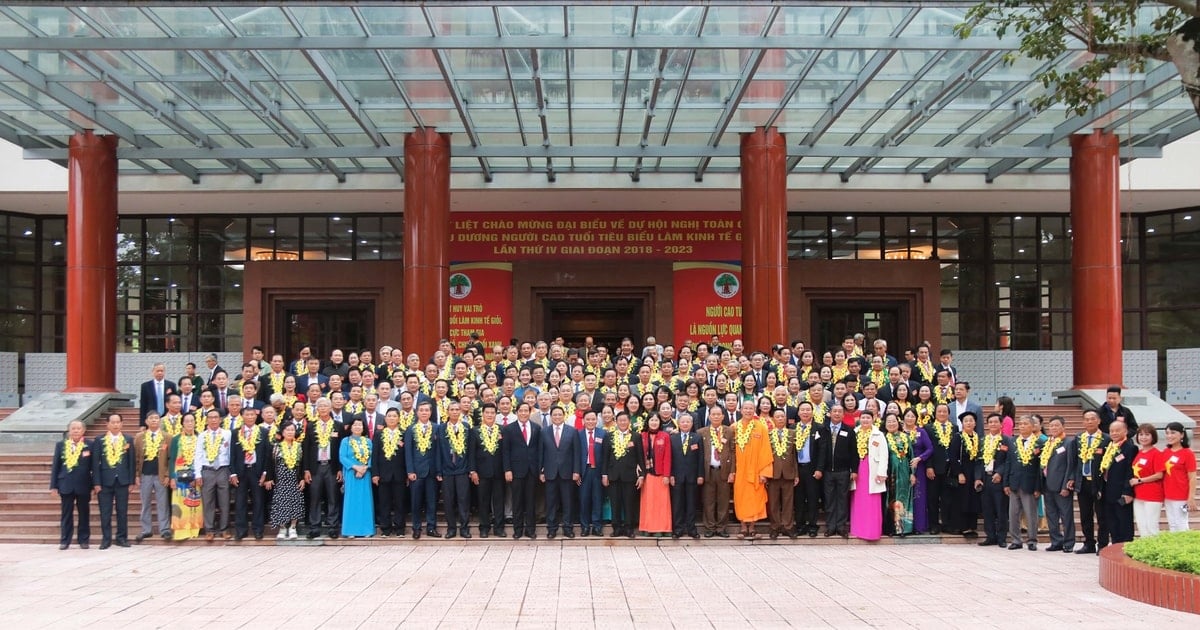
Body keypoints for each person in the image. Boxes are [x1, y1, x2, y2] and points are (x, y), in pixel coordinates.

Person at [92, 412, 135, 549]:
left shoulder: (128, 439)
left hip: (122, 481)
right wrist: (96, 483)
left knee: (122, 511)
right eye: (113, 422)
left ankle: (122, 538)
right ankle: (106, 539)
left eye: (118, 422)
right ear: (107, 424)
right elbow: (95, 463)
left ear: (122, 424)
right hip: (105, 481)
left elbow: (131, 462)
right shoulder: (99, 440)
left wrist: (131, 481)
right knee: (105, 511)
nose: (116, 425)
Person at [731, 399, 772, 539]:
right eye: (745, 408)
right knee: (740, 497)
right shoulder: (734, 427)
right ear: (740, 410)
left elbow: (765, 450)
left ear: (754, 410)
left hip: (756, 470)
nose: (748, 411)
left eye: (751, 408)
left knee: (755, 498)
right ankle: (743, 527)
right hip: (739, 470)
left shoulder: (761, 427)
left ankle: (753, 527)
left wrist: (764, 472)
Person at [303, 399, 342, 539]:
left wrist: (339, 469)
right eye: (320, 406)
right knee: (315, 498)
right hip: (316, 467)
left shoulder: (338, 426)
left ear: (331, 407)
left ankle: (333, 526)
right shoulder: (311, 426)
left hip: (332, 467)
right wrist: (306, 469)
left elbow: (341, 449)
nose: (323, 408)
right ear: (317, 409)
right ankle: (314, 527)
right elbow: (306, 449)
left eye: (326, 406)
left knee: (333, 497)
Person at [51, 420, 93, 550]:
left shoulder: (90, 445)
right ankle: (65, 540)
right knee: (66, 513)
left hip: (84, 484)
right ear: (69, 430)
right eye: (73, 428)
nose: (76, 431)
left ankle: (83, 539)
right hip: (66, 484)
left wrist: (95, 484)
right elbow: (56, 466)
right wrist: (53, 486)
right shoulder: (61, 445)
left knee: (84, 513)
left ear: (83, 430)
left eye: (78, 428)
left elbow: (94, 466)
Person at [1073, 410, 1109, 555]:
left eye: (1092, 419)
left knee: (1101, 515)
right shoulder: (1078, 438)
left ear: (1098, 421)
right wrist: (1072, 478)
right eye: (1086, 419)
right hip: (1083, 481)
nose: (1089, 422)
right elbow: (1073, 461)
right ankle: (1088, 543)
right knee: (1085, 515)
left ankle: (1103, 544)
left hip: (1099, 482)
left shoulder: (1106, 439)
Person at [502, 402, 541, 540]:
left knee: (531, 501)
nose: (524, 413)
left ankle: (530, 530)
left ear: (530, 412)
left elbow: (539, 450)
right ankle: (518, 529)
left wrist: (540, 469)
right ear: (517, 412)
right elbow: (505, 451)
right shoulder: (508, 429)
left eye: (526, 411)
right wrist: (507, 469)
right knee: (517, 501)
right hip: (516, 470)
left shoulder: (536, 428)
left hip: (532, 470)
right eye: (521, 411)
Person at [539, 406, 579, 539]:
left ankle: (568, 528)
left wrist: (576, 471)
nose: (557, 417)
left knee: (568, 502)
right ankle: (551, 528)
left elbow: (576, 453)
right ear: (551, 416)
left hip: (567, 473)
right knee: (551, 502)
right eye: (554, 415)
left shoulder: (572, 431)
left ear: (564, 415)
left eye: (559, 414)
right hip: (550, 473)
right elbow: (541, 453)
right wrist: (541, 471)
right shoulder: (544, 431)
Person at [602, 411, 643, 538]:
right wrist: (604, 474)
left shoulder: (636, 436)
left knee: (629, 503)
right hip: (613, 475)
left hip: (630, 476)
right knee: (615, 503)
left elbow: (640, 457)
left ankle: (629, 528)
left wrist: (641, 475)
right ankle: (616, 528)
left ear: (629, 422)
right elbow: (605, 457)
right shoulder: (609, 436)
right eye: (620, 420)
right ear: (616, 421)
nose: (623, 423)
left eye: (625, 420)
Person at [437, 401, 475, 539]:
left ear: (460, 412)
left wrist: (471, 469)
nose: (454, 412)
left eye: (457, 409)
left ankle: (464, 528)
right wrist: (439, 470)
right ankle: (451, 528)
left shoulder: (465, 427)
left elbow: (470, 451)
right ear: (447, 412)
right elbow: (438, 451)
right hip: (447, 470)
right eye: (452, 409)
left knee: (463, 500)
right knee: (448, 501)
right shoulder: (441, 428)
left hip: (462, 469)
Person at [1041, 416, 1078, 552]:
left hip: (1061, 486)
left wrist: (1066, 486)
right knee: (1051, 515)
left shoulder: (1068, 442)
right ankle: (1056, 541)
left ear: (1063, 427)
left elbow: (1070, 465)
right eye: (1051, 426)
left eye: (1057, 425)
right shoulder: (1048, 442)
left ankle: (1068, 543)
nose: (1054, 428)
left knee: (1066, 515)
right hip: (1047, 485)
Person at [230, 409, 269, 541]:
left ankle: (258, 530)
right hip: (241, 471)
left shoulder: (263, 432)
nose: (250, 417)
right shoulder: (235, 433)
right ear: (242, 416)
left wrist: (265, 473)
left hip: (256, 471)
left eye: (252, 414)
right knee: (240, 501)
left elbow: (266, 454)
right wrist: (233, 473)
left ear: (256, 416)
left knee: (258, 501)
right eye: (247, 414)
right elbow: (232, 454)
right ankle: (241, 530)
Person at [1005, 416, 1042, 550]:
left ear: (1032, 427)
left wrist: (1038, 487)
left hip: (1030, 483)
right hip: (1014, 482)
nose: (1022, 426)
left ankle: (1032, 540)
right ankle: (1016, 539)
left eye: (1025, 424)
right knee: (1013, 513)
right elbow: (1008, 463)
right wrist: (1006, 483)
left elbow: (1040, 468)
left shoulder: (1038, 443)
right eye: (1020, 424)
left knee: (1031, 513)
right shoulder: (1013, 442)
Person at [849, 411, 887, 541]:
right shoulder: (854, 432)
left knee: (872, 500)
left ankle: (872, 531)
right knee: (858, 500)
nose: (865, 420)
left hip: (873, 469)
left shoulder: (878, 434)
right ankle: (858, 529)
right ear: (859, 419)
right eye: (863, 418)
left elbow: (884, 455)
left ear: (873, 419)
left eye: (868, 418)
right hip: (858, 469)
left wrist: (882, 472)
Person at [1099, 420, 1138, 546]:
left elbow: (1130, 471)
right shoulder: (1110, 446)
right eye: (1111, 431)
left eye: (1117, 430)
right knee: (1112, 522)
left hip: (1122, 492)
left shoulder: (1130, 448)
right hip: (1108, 491)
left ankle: (1126, 547)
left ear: (1125, 431)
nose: (1114, 433)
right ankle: (1116, 546)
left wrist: (1127, 492)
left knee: (1124, 522)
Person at [822, 405, 859, 538]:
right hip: (827, 471)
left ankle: (841, 526)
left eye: (839, 412)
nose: (837, 414)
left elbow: (854, 453)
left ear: (843, 415)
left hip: (843, 471)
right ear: (830, 414)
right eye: (834, 411)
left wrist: (854, 470)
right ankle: (831, 526)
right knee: (829, 499)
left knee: (842, 499)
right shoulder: (823, 429)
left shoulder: (849, 431)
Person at [134, 412, 171, 542]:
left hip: (160, 474)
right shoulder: (139, 437)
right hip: (145, 474)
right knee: (145, 502)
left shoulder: (167, 437)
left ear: (160, 421)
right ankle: (146, 529)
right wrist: (137, 475)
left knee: (163, 503)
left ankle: (165, 529)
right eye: (151, 418)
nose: (154, 420)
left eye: (156, 418)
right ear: (146, 421)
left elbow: (170, 458)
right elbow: (137, 458)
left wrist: (167, 475)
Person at [406, 401, 441, 539]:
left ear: (431, 412)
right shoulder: (411, 429)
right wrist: (410, 471)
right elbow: (408, 452)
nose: (424, 412)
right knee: (416, 502)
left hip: (432, 471)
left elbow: (439, 451)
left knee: (432, 501)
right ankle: (416, 528)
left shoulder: (437, 428)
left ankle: (431, 527)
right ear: (417, 412)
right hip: (416, 472)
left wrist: (439, 471)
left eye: (427, 410)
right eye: (421, 410)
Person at [266, 422, 306, 540]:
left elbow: (303, 464)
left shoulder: (299, 446)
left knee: (295, 502)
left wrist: (302, 478)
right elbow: (270, 463)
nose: (290, 432)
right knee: (281, 502)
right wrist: (269, 478)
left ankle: (293, 527)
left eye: (292, 430)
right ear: (282, 432)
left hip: (295, 478)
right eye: (287, 430)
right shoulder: (276, 446)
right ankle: (282, 528)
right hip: (280, 480)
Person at [699, 406, 734, 538]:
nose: (716, 417)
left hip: (724, 471)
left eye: (718, 414)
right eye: (713, 414)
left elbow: (733, 451)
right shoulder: (702, 432)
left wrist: (732, 471)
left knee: (723, 501)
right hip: (708, 471)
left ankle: (721, 527)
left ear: (723, 416)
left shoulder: (729, 431)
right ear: (709, 416)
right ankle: (709, 527)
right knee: (708, 501)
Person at [472, 403, 506, 538]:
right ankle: (484, 528)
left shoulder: (502, 430)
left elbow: (505, 452)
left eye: (493, 413)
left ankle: (499, 528)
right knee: (483, 500)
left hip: (499, 472)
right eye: (487, 412)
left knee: (499, 501)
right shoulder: (475, 431)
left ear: (496, 414)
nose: (490, 415)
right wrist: (473, 471)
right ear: (483, 414)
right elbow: (471, 453)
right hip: (481, 472)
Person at [373, 408, 408, 537]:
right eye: (389, 416)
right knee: (384, 503)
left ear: (398, 418)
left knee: (400, 503)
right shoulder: (378, 434)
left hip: (400, 474)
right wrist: (375, 474)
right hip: (383, 475)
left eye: (394, 416)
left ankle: (400, 529)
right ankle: (386, 529)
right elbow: (375, 455)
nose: (392, 418)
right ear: (385, 418)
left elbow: (407, 455)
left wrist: (407, 473)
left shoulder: (404, 433)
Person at [764, 408, 798, 540]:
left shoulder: (792, 433)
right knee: (773, 503)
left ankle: (788, 526)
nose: (780, 419)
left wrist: (796, 474)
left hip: (789, 472)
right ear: (773, 419)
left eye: (782, 416)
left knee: (788, 502)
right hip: (773, 473)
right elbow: (765, 455)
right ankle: (775, 527)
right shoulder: (768, 434)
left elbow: (795, 455)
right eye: (777, 417)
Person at [167, 415, 203, 541]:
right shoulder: (176, 439)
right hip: (179, 477)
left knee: (194, 503)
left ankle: (194, 529)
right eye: (186, 421)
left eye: (192, 421)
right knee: (180, 503)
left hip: (194, 475)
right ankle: (181, 530)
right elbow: (171, 459)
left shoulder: (200, 437)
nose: (189, 423)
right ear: (182, 423)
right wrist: (172, 477)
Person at [926, 403, 961, 535]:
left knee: (948, 498)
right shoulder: (929, 428)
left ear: (948, 413)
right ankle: (933, 525)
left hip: (950, 469)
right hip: (934, 468)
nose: (942, 414)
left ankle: (947, 524)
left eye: (944, 411)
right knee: (933, 498)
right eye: (939, 411)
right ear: (935, 413)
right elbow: (928, 449)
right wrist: (929, 466)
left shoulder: (954, 428)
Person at [338, 418, 374, 538]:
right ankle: (350, 530)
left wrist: (364, 468)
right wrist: (355, 467)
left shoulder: (368, 441)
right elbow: (342, 457)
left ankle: (366, 530)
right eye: (355, 425)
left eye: (360, 425)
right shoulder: (346, 441)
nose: (358, 427)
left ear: (363, 428)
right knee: (351, 501)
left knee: (365, 501)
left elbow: (371, 456)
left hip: (365, 474)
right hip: (351, 473)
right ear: (351, 427)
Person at [637, 414, 673, 537]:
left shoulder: (665, 436)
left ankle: (662, 528)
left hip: (661, 474)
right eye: (651, 420)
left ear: (660, 422)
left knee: (662, 503)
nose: (654, 422)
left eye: (656, 420)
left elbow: (668, 456)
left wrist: (667, 475)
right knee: (648, 503)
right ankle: (647, 528)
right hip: (646, 475)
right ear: (648, 422)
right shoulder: (641, 436)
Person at [977, 413, 1009, 547]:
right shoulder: (982, 440)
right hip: (985, 479)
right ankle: (990, 536)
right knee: (987, 510)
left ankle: (1001, 538)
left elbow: (1008, 461)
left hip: (998, 480)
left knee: (1001, 510)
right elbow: (978, 461)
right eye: (990, 422)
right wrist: (977, 478)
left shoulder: (1007, 440)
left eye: (996, 422)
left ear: (1001, 424)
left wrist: (1000, 473)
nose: (993, 424)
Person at [669, 413, 703, 539]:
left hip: (692, 476)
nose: (685, 424)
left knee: (691, 503)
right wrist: (671, 474)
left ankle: (691, 529)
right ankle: (678, 529)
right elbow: (670, 458)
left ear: (692, 424)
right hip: (677, 476)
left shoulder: (697, 438)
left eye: (688, 422)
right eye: (682, 422)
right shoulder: (672, 438)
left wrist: (700, 475)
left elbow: (701, 458)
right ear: (678, 423)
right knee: (677, 504)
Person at [1161, 422, 1197, 532]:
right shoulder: (1165, 452)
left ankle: (1186, 548)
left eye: (1173, 433)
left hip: (1181, 495)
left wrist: (1191, 497)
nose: (1169, 436)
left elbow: (1192, 477)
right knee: (1172, 524)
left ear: (1182, 435)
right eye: (1167, 433)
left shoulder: (1187, 453)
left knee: (1181, 524)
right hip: (1168, 495)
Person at [1129, 424, 1164, 538]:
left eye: (1147, 434)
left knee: (1151, 526)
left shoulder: (1157, 453)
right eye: (1141, 434)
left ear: (1153, 437)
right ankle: (1145, 551)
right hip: (1138, 495)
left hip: (1152, 494)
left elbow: (1159, 474)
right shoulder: (1138, 453)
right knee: (1141, 525)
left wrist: (1139, 480)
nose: (1143, 437)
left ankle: (1155, 552)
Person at [883, 413, 914, 537]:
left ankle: (903, 529)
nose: (891, 424)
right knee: (890, 500)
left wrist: (913, 474)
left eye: (893, 421)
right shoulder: (883, 437)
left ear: (898, 423)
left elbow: (911, 456)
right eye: (888, 422)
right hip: (890, 472)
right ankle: (891, 528)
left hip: (904, 472)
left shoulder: (906, 437)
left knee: (904, 499)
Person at [577, 410, 606, 537]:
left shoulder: (603, 434)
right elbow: (575, 455)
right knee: (584, 500)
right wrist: (576, 472)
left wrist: (605, 473)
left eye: (593, 419)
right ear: (583, 421)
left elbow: (606, 456)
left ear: (596, 420)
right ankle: (585, 526)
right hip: (584, 471)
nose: (590, 421)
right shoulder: (578, 434)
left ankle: (597, 526)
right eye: (587, 419)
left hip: (598, 471)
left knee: (597, 499)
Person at [954, 411, 983, 537]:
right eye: (966, 421)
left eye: (971, 420)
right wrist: (959, 473)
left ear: (975, 423)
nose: (969, 423)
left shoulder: (979, 438)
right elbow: (953, 456)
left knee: (974, 499)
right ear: (962, 424)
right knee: (963, 499)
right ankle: (963, 526)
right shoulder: (958, 437)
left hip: (975, 471)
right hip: (963, 471)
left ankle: (972, 526)